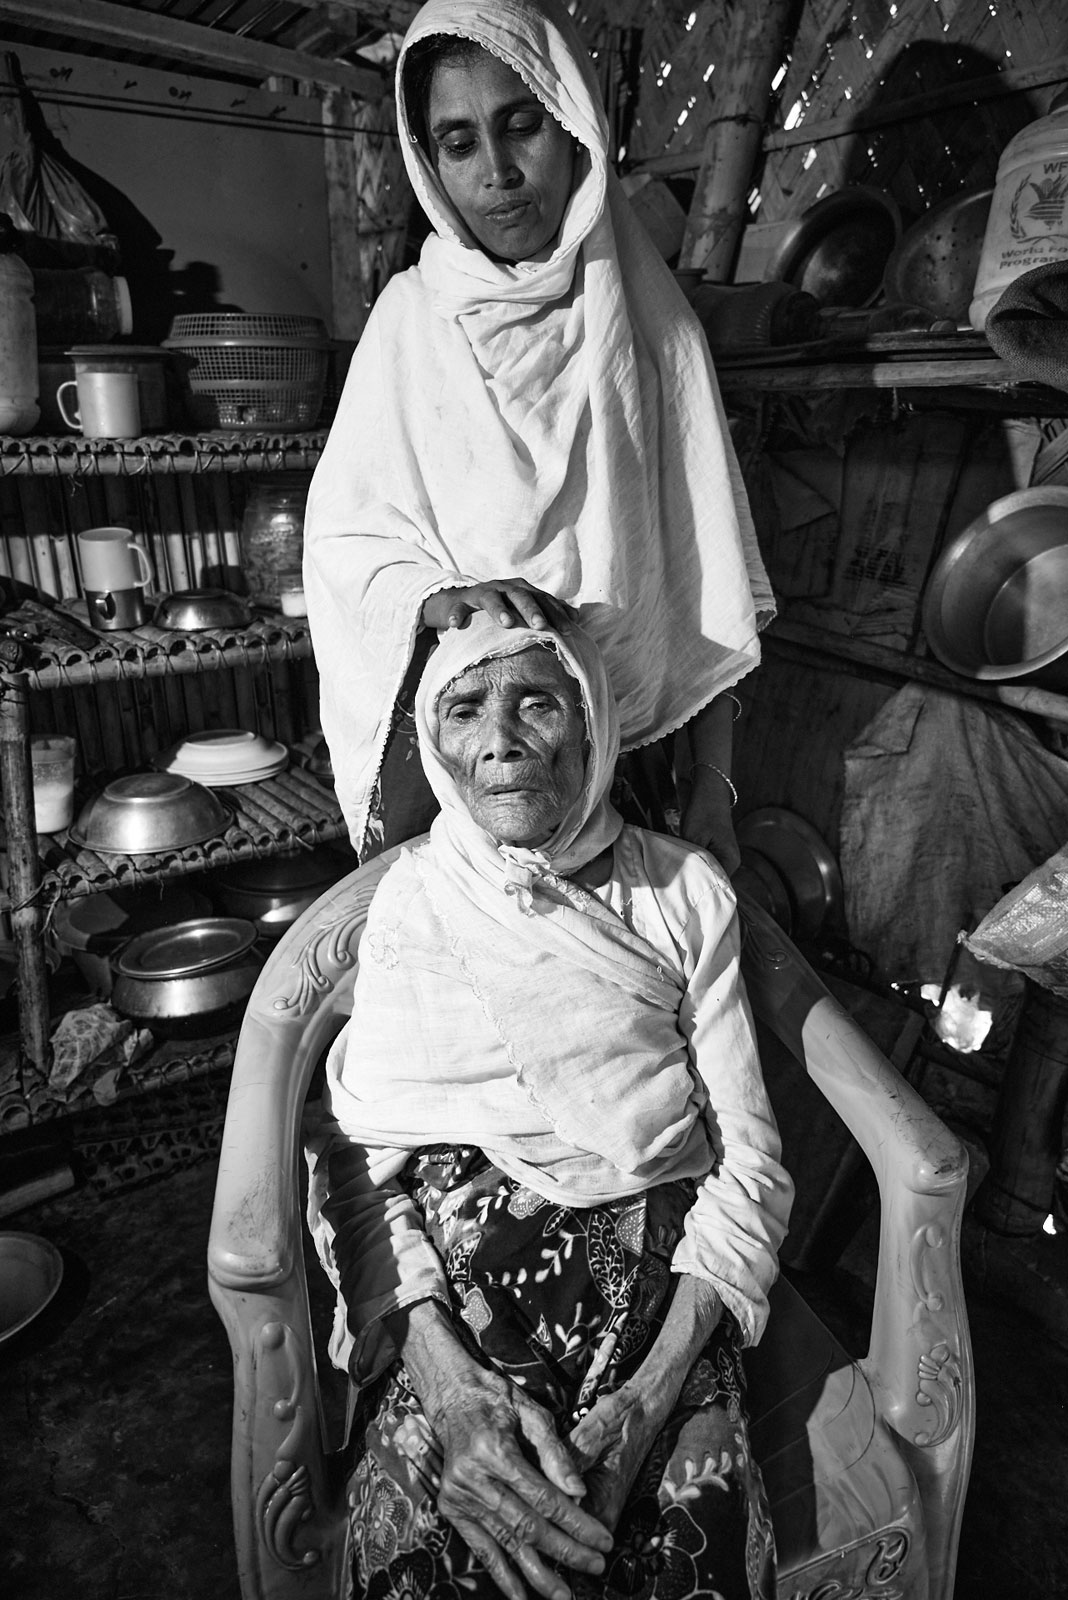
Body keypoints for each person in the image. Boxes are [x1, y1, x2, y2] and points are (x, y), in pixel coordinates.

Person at [307, 612, 793, 1600]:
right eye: (464, 709)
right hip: (469, 1326)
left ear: (593, 723)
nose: (501, 737)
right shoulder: (415, 903)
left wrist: (646, 1404)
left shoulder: (683, 892)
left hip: (660, 1317)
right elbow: (362, 1162)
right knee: (422, 1558)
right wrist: (446, 1382)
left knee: (689, 1551)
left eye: (537, 700)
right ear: (436, 748)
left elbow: (749, 1161)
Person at [303, 0, 775, 873]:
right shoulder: (410, 324)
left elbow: (705, 596)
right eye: (458, 142)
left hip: (623, 755)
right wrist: (445, 599)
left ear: (575, 130)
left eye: (522, 126)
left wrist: (713, 790)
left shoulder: (651, 331)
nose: (498, 172)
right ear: (430, 164)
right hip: (454, 768)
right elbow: (345, 549)